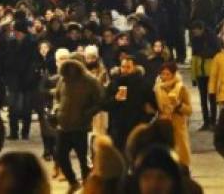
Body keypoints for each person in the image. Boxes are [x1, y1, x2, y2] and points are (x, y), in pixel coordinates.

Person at [51, 58, 103, 192]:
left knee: (83, 159)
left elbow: (99, 101)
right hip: (63, 126)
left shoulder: (90, 81)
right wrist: (56, 111)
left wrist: (86, 114)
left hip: (81, 127)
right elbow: (57, 97)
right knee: (60, 155)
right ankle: (73, 181)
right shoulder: (63, 79)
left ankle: (87, 184)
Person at [105, 56, 156, 152]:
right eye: (123, 67)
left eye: (128, 67)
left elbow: (154, 105)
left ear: (134, 68)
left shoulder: (143, 84)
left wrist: (144, 120)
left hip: (136, 128)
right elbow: (104, 105)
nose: (125, 70)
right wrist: (115, 99)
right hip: (117, 129)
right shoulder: (114, 83)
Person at [154, 61, 193, 167]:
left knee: (181, 158)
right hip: (163, 125)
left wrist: (179, 105)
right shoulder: (157, 88)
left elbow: (189, 110)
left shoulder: (181, 88)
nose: (165, 76)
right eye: (162, 74)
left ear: (174, 74)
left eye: (168, 74)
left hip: (178, 125)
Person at [189, 21, 218, 130]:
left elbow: (217, 51)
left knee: (212, 98)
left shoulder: (212, 37)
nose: (195, 33)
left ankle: (213, 122)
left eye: (196, 31)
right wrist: (193, 76)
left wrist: (206, 54)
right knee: (203, 98)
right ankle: (206, 122)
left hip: (210, 72)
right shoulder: (195, 39)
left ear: (201, 29)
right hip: (201, 73)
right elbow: (194, 58)